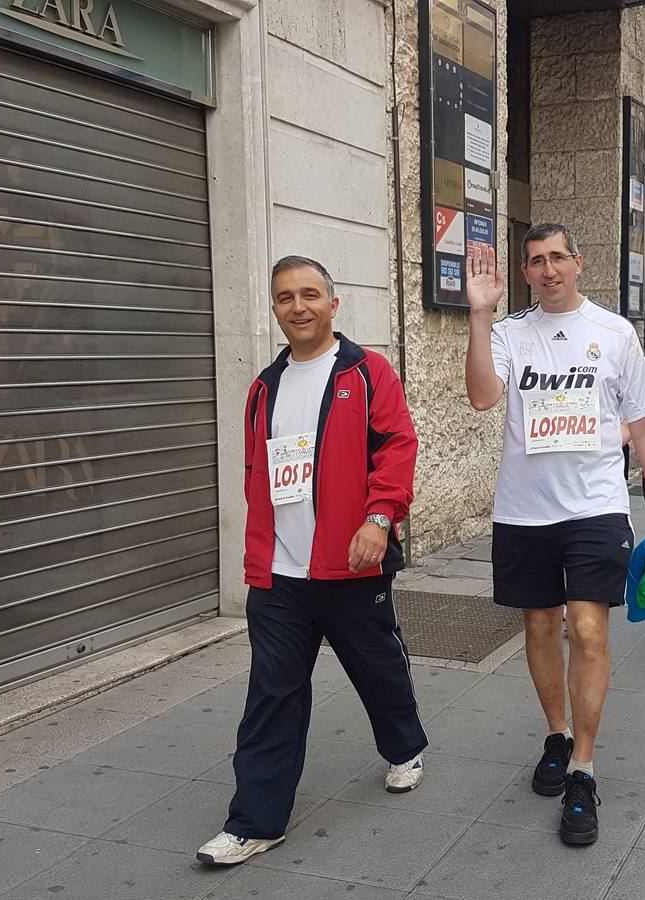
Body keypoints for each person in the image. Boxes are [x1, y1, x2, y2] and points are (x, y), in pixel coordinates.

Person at [199, 256, 424, 867]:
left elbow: (398, 449)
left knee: (377, 668)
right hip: (280, 575)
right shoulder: (263, 388)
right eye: (284, 297)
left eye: (309, 295)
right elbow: (259, 477)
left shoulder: (367, 372)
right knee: (272, 693)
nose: (297, 307)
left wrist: (380, 520)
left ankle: (404, 746)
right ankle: (255, 821)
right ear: (274, 308)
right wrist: (260, 555)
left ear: (333, 303)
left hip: (352, 562)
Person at [464, 223, 645, 846]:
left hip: (596, 509)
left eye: (559, 256)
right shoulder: (507, 334)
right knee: (538, 625)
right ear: (524, 273)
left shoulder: (614, 334)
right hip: (525, 511)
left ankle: (583, 767)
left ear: (579, 264)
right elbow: (481, 398)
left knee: (586, 627)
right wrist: (480, 315)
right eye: (536, 261)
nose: (549, 268)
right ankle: (555, 735)